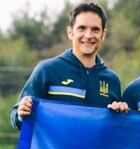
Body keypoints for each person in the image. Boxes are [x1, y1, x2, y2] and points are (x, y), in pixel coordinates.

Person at [11, 2, 128, 130]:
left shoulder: (112, 80)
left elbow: (116, 130)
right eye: (82, 28)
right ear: (70, 32)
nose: (88, 35)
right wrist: (21, 113)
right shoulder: (47, 70)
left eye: (95, 29)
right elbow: (17, 118)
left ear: (103, 34)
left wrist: (121, 114)